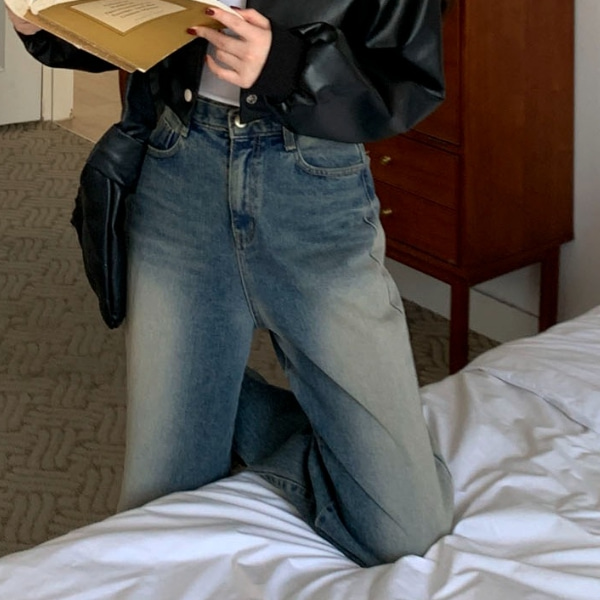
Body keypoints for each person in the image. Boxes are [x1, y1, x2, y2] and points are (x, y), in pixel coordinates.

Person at [8, 0, 453, 567]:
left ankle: (218, 393)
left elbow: (409, 75)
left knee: (404, 531)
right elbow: (137, 24)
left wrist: (290, 66)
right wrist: (41, 22)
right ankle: (193, 378)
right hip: (180, 170)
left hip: (314, 188)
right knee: (160, 521)